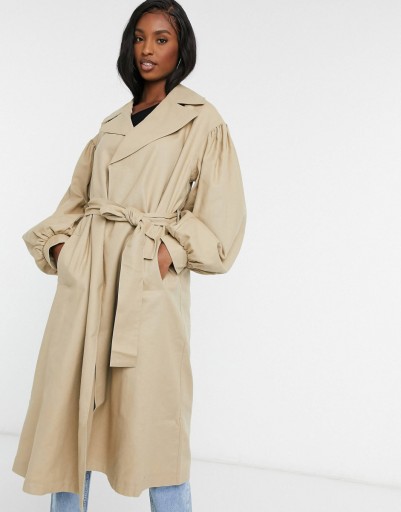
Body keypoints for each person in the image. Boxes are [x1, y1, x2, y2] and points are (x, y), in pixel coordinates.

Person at [12, 0, 247, 511]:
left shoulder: (202, 120)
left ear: (181, 47)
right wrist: (62, 250)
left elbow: (221, 219)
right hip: (88, 282)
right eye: (139, 37)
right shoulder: (112, 124)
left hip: (146, 286)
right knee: (69, 418)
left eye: (161, 39)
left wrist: (168, 250)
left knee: (156, 423)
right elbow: (75, 202)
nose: (147, 49)